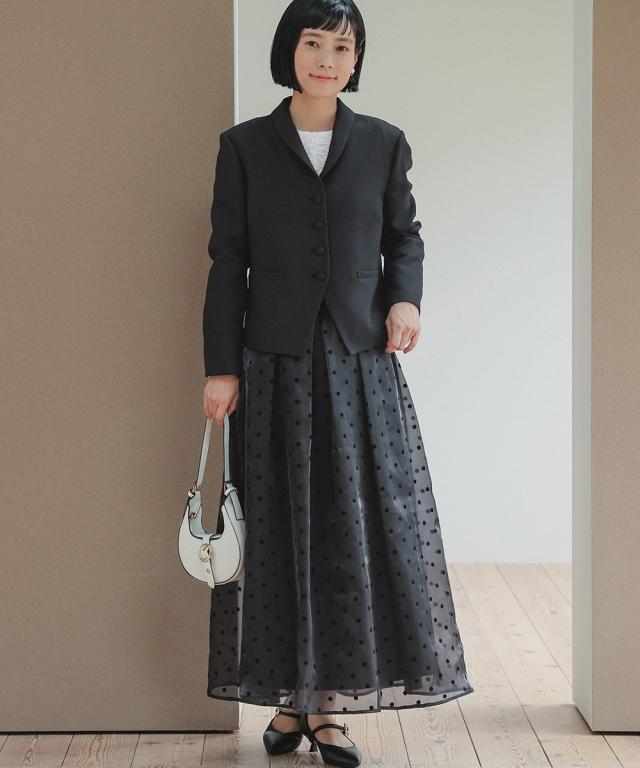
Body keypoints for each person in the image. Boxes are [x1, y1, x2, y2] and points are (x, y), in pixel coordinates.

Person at [201, 1, 474, 765]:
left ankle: (328, 707)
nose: (327, 58)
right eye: (313, 43)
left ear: (357, 59)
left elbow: (404, 237)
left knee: (352, 526)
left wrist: (405, 299)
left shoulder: (383, 142)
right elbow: (227, 262)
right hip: (273, 364)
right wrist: (220, 366)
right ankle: (291, 701)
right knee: (278, 527)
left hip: (359, 363)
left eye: (342, 47)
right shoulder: (244, 147)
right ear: (289, 52)